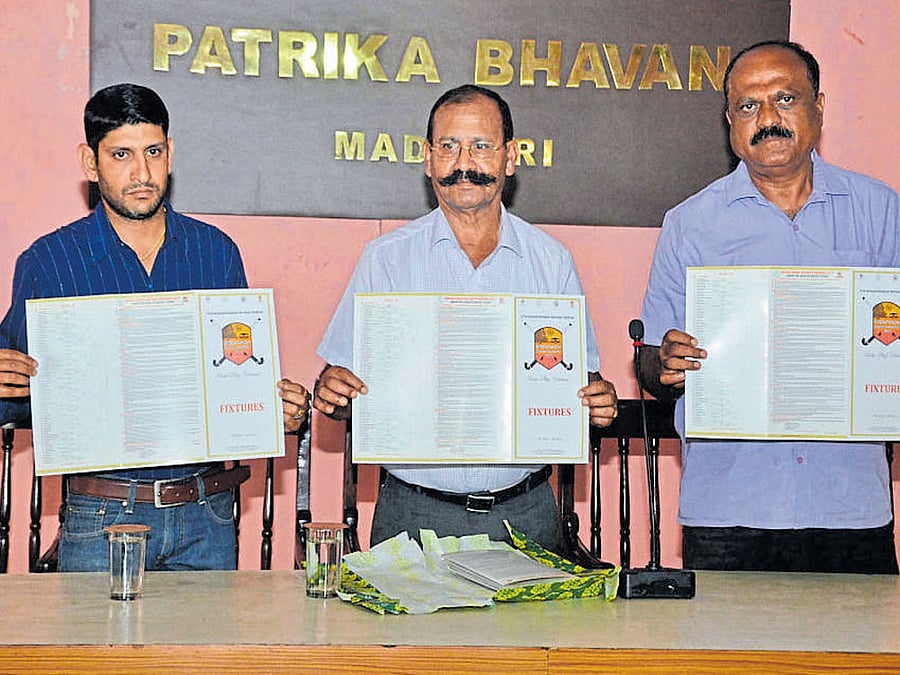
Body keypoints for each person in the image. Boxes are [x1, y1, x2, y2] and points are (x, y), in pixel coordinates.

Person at [0, 83, 310, 572]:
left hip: (207, 516)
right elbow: (19, 396)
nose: (142, 173)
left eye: (153, 152)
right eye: (121, 154)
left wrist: (275, 415)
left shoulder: (216, 252)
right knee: (94, 631)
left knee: (208, 631)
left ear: (171, 154)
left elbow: (233, 381)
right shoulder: (48, 261)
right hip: (101, 515)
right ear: (90, 162)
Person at [314, 84, 618, 551]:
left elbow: (580, 380)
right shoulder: (386, 260)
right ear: (427, 158)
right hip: (413, 514)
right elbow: (340, 388)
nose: (464, 164)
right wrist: (333, 391)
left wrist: (597, 399)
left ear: (510, 157)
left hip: (526, 514)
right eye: (448, 146)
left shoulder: (551, 261)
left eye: (481, 146)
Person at [639, 41, 900, 573]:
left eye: (785, 98)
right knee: (724, 635)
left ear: (818, 107)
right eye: (748, 105)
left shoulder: (880, 211)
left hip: (849, 505)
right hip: (728, 507)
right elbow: (648, 360)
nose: (767, 119)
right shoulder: (689, 224)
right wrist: (664, 362)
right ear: (730, 121)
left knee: (861, 634)